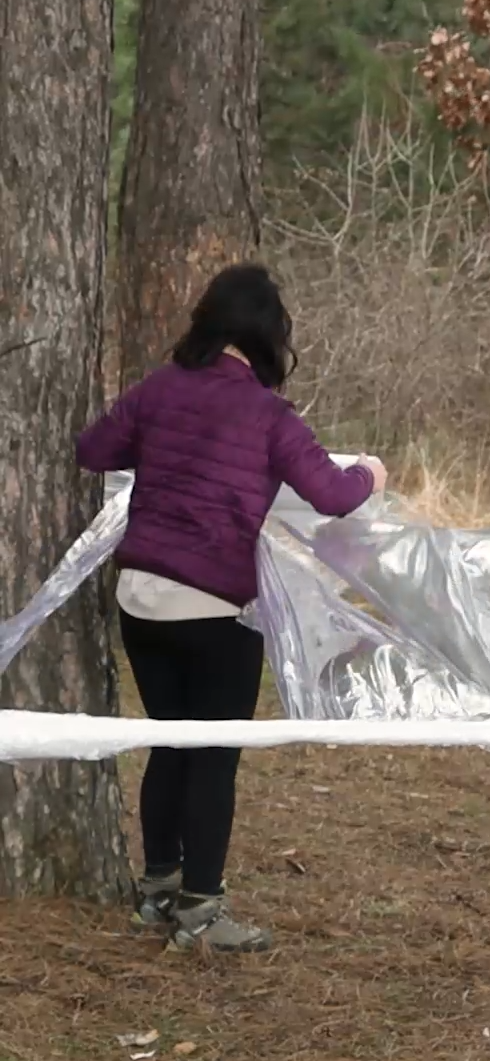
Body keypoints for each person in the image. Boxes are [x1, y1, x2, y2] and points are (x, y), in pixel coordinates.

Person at [76, 263, 386, 954]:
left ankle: (158, 892)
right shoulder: (267, 414)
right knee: (213, 757)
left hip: (141, 600)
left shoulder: (160, 389)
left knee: (169, 743)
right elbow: (333, 494)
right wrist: (373, 473)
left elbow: (93, 449)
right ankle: (202, 913)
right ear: (270, 334)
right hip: (214, 610)